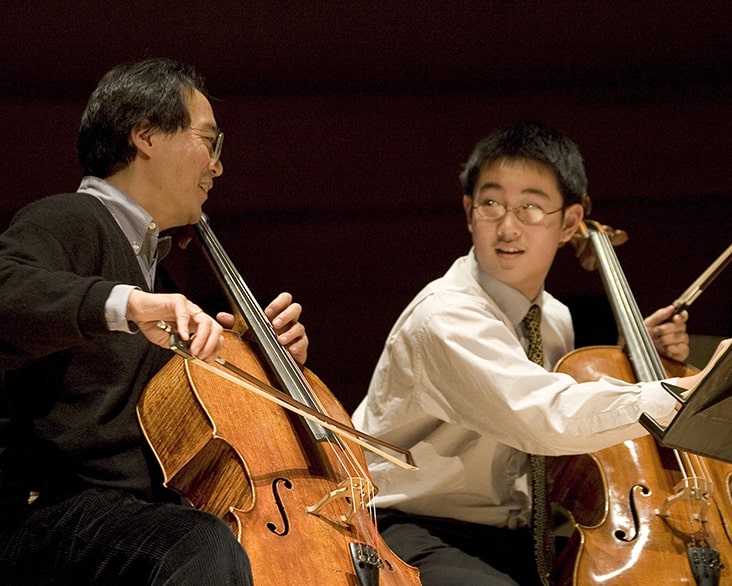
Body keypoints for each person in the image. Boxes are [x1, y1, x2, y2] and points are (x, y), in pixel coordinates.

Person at [351, 119, 723, 586]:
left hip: (517, 537)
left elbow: (560, 437)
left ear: (569, 223)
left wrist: (636, 359)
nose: (507, 227)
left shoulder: (554, 319)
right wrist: (681, 393)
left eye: (530, 207)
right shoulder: (445, 316)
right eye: (491, 204)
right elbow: (545, 418)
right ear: (468, 212)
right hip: (406, 528)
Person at [0, 58, 308, 585]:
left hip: (133, 517)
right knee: (197, 547)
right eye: (208, 141)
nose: (217, 166)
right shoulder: (69, 219)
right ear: (145, 135)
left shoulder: (159, 277)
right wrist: (132, 304)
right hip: (50, 511)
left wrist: (258, 361)